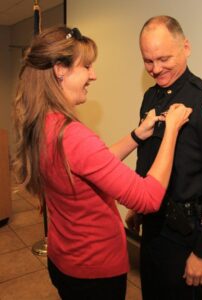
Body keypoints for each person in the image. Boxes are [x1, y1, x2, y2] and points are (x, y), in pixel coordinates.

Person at [12, 26, 192, 300]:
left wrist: (136, 136)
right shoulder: (72, 135)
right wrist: (172, 131)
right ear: (60, 70)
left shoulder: (43, 125)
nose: (93, 75)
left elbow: (92, 164)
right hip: (94, 274)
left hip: (65, 262)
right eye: (86, 66)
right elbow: (147, 198)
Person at [126, 15, 202, 300]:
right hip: (153, 224)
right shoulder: (151, 97)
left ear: (186, 47)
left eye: (163, 59)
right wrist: (139, 205)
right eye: (147, 61)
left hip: (185, 234)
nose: (155, 69)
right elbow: (148, 157)